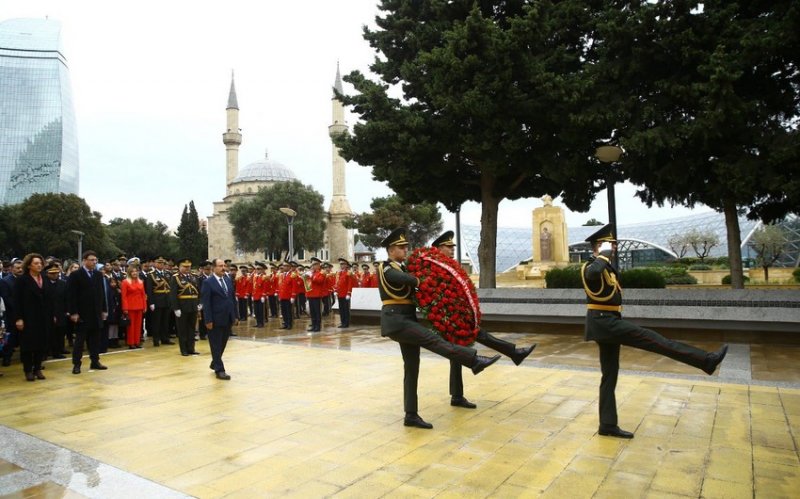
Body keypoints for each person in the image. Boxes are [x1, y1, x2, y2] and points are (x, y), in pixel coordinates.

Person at [582, 224, 729, 439]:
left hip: (608, 321)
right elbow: (594, 273)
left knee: (609, 375)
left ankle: (607, 424)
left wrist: (604, 258)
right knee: (655, 340)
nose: (613, 249)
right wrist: (603, 256)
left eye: (612, 246)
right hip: (604, 323)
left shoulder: (605, 266)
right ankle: (706, 360)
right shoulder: (591, 266)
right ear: (598, 246)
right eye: (609, 245)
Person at [378, 227, 501, 430]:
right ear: (391, 249)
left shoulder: (401, 267)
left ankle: (411, 415)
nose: (405, 249)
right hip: (396, 321)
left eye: (406, 246)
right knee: (435, 341)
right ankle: (473, 360)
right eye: (401, 247)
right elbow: (406, 280)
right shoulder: (386, 268)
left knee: (411, 368)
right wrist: (422, 279)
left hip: (407, 319)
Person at [431, 231, 537, 409]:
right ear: (439, 248)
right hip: (448, 318)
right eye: (448, 247)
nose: (451, 250)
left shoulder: (449, 265)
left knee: (459, 353)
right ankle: (513, 354)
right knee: (473, 341)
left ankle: (457, 395)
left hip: (457, 316)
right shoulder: (436, 267)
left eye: (452, 247)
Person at [67, 250, 109, 374]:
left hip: (96, 313)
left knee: (95, 340)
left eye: (95, 260)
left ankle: (95, 361)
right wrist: (73, 312)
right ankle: (76, 364)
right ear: (84, 261)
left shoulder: (97, 275)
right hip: (82, 313)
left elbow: (102, 294)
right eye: (91, 260)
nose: (94, 262)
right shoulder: (76, 275)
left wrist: (104, 310)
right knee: (80, 341)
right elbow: (71, 296)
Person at [14, 253, 53, 381]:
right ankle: (28, 370)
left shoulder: (44, 278)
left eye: (40, 263)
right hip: (28, 317)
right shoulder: (22, 280)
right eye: (36, 263)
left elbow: (49, 299)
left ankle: (37, 368)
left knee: (41, 344)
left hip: (43, 317)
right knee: (28, 346)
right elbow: (17, 301)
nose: (39, 265)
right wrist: (18, 318)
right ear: (29, 265)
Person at [200, 258, 237, 380]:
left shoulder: (227, 279)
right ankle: (220, 370)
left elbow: (231, 299)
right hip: (215, 319)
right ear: (213, 268)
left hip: (227, 317)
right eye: (220, 266)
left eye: (224, 266)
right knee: (215, 345)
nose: (223, 268)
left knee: (222, 343)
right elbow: (206, 303)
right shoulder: (208, 282)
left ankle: (214, 362)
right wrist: (208, 320)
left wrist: (234, 315)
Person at [169, 258, 200, 356]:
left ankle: (191, 348)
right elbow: (173, 294)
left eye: (189, 267)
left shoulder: (194, 277)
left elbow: (198, 291)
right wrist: (176, 308)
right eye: (185, 267)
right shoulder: (175, 277)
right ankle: (184, 350)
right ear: (179, 267)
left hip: (193, 305)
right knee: (182, 329)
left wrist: (199, 303)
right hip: (182, 307)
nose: (187, 268)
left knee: (191, 328)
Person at [145, 256, 173, 347]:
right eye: (159, 263)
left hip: (166, 299)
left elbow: (171, 288)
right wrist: (151, 302)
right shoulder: (151, 274)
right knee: (156, 321)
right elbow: (149, 290)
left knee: (166, 321)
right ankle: (156, 339)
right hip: (157, 300)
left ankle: (165, 338)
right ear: (155, 264)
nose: (161, 265)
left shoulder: (168, 274)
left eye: (163, 263)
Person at [46, 263, 69, 359]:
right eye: (52, 273)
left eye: (56, 273)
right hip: (47, 313)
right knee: (48, 334)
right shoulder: (43, 283)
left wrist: (67, 310)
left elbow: (66, 298)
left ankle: (58, 351)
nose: (54, 275)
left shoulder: (63, 283)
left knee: (60, 333)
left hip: (61, 312)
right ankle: (46, 351)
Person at [121, 266, 147, 349]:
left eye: (136, 271)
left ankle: (137, 342)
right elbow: (123, 296)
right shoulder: (125, 282)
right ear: (129, 273)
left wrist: (144, 306)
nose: (135, 273)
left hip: (139, 306)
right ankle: (131, 343)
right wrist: (125, 308)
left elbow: (143, 295)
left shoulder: (140, 282)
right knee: (131, 326)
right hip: (130, 307)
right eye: (132, 271)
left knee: (138, 325)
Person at [305, 257, 327, 332]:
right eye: (312, 265)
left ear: (318, 265)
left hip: (317, 295)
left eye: (315, 265)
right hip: (310, 294)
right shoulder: (312, 273)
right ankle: (313, 325)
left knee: (317, 311)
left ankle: (318, 326)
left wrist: (311, 277)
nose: (313, 266)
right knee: (312, 311)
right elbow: (308, 284)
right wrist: (306, 277)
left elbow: (320, 281)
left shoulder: (322, 272)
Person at [335, 258, 355, 328]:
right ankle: (342, 322)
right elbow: (338, 283)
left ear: (346, 265)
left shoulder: (348, 273)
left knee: (346, 309)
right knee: (341, 309)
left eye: (343, 264)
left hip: (345, 294)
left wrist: (349, 293)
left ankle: (346, 323)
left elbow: (350, 284)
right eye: (340, 264)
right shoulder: (339, 273)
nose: (341, 265)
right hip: (340, 294)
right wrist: (336, 291)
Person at [277, 261, 297, 329]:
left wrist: (293, 296)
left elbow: (294, 286)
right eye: (284, 266)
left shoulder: (292, 275)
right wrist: (279, 295)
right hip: (282, 296)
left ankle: (289, 324)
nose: (284, 267)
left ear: (289, 267)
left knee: (289, 311)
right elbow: (280, 286)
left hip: (288, 296)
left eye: (286, 266)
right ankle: (285, 323)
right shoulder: (282, 275)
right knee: (284, 311)